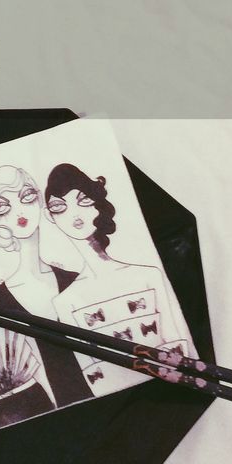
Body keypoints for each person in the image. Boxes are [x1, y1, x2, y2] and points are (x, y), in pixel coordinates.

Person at [42, 164, 192, 395]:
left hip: (178, 390)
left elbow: (181, 345)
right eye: (59, 206)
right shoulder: (66, 302)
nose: (74, 214)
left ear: (96, 203)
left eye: (83, 200)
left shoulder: (148, 276)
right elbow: (96, 378)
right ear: (49, 216)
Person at [0, 166, 92, 408]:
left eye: (27, 197)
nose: (19, 211)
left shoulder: (74, 278)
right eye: (3, 205)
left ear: (41, 203)